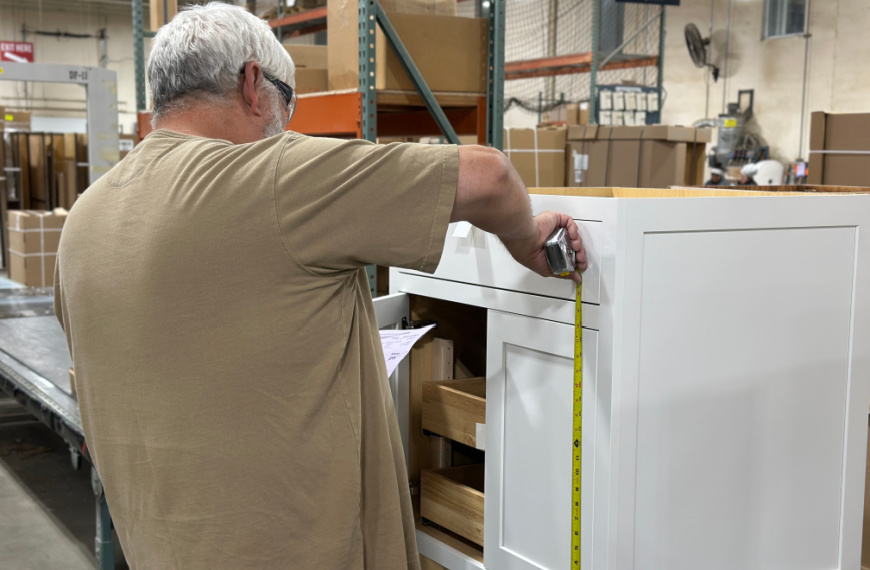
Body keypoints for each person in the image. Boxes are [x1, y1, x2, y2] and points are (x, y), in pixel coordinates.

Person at [53, 3, 587, 569]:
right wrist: (527, 238)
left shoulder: (84, 221)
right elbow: (492, 178)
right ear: (254, 84)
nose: (285, 122)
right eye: (289, 102)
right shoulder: (271, 177)